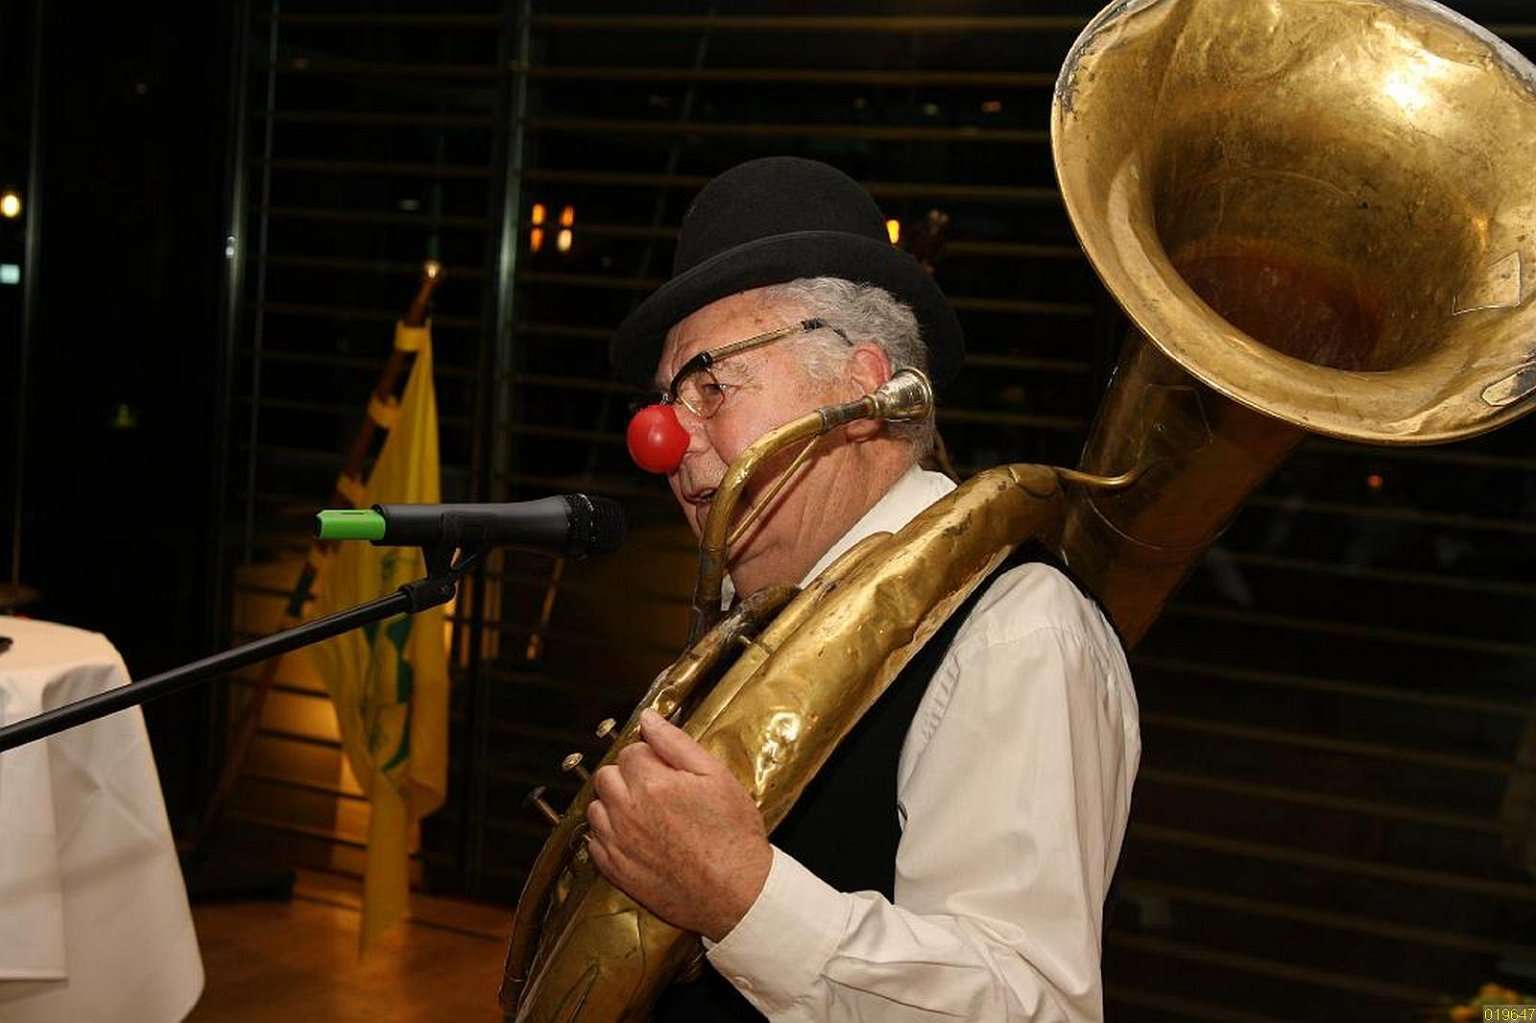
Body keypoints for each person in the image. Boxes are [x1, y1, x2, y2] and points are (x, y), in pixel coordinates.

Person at [588, 156, 1140, 1022]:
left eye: (710, 385)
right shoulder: (749, 616)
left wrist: (742, 897)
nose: (662, 440)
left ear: (861, 388)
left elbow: (1028, 1005)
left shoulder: (1014, 631)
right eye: (664, 399)